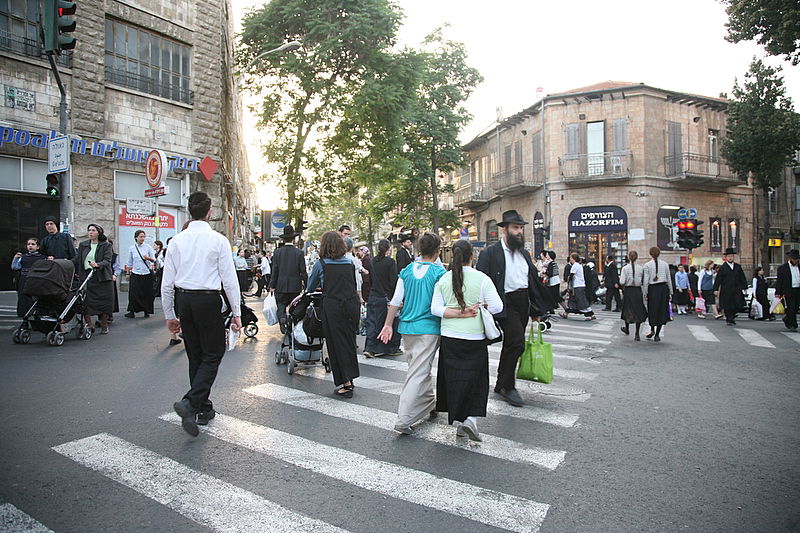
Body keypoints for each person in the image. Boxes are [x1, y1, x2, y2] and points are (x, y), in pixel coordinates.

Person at [162, 191, 241, 437]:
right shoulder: (218, 240)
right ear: (209, 212)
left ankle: (202, 408)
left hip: (184, 299)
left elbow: (166, 283)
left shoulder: (176, 241)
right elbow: (230, 281)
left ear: (189, 211)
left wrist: (170, 315)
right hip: (207, 300)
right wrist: (237, 312)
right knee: (213, 353)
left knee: (195, 354)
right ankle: (190, 402)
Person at [476, 210, 549, 407]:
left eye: (521, 228)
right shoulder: (490, 253)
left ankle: (502, 383)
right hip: (503, 302)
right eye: (516, 228)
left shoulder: (523, 253)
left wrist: (536, 311)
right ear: (505, 230)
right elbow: (480, 280)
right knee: (517, 342)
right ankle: (508, 386)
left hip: (522, 301)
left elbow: (531, 282)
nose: (519, 232)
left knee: (512, 344)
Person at [431, 239, 503, 441]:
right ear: (472, 256)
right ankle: (471, 419)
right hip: (475, 337)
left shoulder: (444, 279)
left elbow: (435, 309)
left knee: (455, 380)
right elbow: (498, 307)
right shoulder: (482, 279)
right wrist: (481, 307)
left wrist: (457, 313)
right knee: (476, 380)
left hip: (450, 337)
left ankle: (460, 421)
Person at [379, 232, 446, 433]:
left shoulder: (407, 271)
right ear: (438, 251)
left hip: (407, 328)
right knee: (418, 371)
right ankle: (404, 418)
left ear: (418, 250)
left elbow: (396, 300)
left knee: (418, 368)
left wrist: (387, 324)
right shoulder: (439, 273)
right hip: (429, 329)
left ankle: (429, 403)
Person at [307, 231, 361, 398]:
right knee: (349, 342)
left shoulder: (321, 264)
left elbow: (310, 287)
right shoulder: (350, 263)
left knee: (336, 344)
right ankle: (350, 377)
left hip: (333, 306)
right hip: (351, 305)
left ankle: (346, 383)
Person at [363, 239, 401, 358]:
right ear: (388, 249)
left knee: (372, 323)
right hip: (385, 297)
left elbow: (370, 280)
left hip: (373, 295)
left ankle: (370, 347)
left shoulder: (372, 261)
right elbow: (393, 281)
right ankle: (390, 347)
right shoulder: (390, 262)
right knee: (389, 322)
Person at [74, 224, 115, 334]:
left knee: (104, 302)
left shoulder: (106, 245)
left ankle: (104, 324)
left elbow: (107, 260)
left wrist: (97, 264)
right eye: (89, 230)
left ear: (98, 233)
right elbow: (78, 259)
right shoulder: (83, 245)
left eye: (93, 230)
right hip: (87, 276)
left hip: (101, 277)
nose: (90, 232)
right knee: (86, 301)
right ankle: (89, 324)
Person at [269, 225, 308, 332]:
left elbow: (274, 270)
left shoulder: (277, 253)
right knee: (294, 307)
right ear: (293, 239)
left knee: (281, 305)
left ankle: (282, 319)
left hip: (280, 285)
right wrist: (307, 284)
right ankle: (291, 324)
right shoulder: (299, 253)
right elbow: (303, 271)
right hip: (295, 286)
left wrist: (272, 285)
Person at [642, 246, 673, 341]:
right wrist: (671, 292)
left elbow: (646, 281)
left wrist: (645, 292)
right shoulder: (664, 264)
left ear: (650, 254)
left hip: (653, 289)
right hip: (663, 288)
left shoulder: (647, 265)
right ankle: (657, 334)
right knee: (661, 311)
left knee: (652, 310)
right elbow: (668, 279)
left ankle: (652, 329)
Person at [124, 230, 156, 318]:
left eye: (143, 237)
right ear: (136, 237)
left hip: (146, 273)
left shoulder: (148, 247)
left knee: (146, 293)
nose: (142, 238)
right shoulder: (132, 248)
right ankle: (132, 311)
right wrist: (127, 273)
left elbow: (154, 259)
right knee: (133, 293)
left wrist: (148, 258)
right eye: (141, 236)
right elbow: (129, 262)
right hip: (136, 273)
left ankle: (146, 311)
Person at [11, 237, 45, 316]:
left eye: (33, 244)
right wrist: (15, 259)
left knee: (35, 299)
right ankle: (25, 320)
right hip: (24, 281)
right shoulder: (23, 257)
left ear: (38, 246)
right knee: (23, 300)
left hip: (36, 281)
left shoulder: (42, 258)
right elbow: (15, 267)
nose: (30, 246)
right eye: (28, 244)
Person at [713, 248, 748, 326]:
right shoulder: (723, 267)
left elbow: (742, 277)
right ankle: (729, 319)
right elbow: (718, 279)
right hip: (726, 289)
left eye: (731, 256)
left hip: (736, 288)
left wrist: (745, 287)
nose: (730, 258)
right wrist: (715, 289)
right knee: (727, 305)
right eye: (728, 256)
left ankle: (732, 315)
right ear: (726, 257)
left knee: (738, 304)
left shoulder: (737, 267)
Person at [619, 250, 647, 341]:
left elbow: (622, 281)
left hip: (628, 290)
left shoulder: (625, 268)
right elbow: (643, 281)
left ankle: (627, 328)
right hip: (637, 290)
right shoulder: (641, 268)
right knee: (637, 311)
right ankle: (637, 333)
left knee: (627, 309)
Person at [560, 253, 596, 320]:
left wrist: (566, 280)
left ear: (573, 259)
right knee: (573, 300)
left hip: (578, 285)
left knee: (581, 301)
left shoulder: (575, 265)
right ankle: (566, 312)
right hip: (578, 285)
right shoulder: (578, 265)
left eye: (570, 258)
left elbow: (571, 275)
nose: (570, 259)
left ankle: (590, 314)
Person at [776, 249, 800, 332]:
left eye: (797, 259)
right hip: (788, 291)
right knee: (791, 308)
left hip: (798, 290)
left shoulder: (799, 267)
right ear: (790, 258)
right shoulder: (783, 268)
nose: (796, 260)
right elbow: (779, 281)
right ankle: (793, 324)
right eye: (794, 259)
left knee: (796, 307)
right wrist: (778, 292)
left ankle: (787, 318)